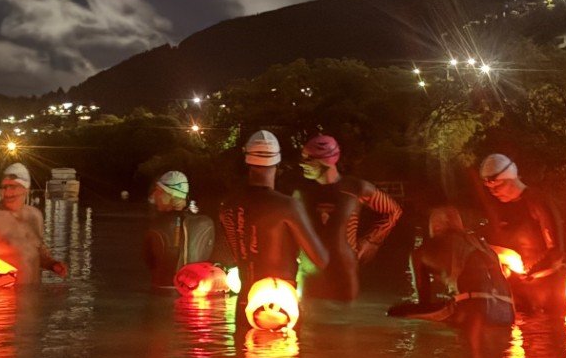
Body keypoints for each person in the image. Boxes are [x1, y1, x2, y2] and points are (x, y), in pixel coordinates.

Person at [218, 130, 328, 320]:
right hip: (280, 308)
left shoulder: (227, 206)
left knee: (243, 349)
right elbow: (321, 260)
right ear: (277, 163)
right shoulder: (288, 206)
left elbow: (236, 253)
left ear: (247, 161)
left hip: (246, 305)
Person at [295, 133, 402, 301]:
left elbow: (393, 211)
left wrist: (371, 241)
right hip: (309, 276)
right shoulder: (301, 192)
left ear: (326, 160)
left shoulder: (356, 189)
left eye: (309, 159)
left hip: (343, 275)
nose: (302, 164)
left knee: (344, 323)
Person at [388, 205, 515, 327]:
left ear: (435, 226)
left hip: (473, 312)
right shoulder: (482, 245)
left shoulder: (421, 252)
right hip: (507, 314)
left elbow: (424, 301)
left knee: (395, 312)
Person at [477, 153, 565, 314]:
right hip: (516, 292)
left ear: (511, 178)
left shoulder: (538, 201)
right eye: (490, 189)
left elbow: (556, 252)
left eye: (498, 186)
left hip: (547, 292)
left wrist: (531, 271)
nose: (494, 192)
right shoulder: (500, 209)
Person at [142, 169, 217, 291]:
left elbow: (149, 261)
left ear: (169, 195)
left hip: (162, 292)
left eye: (158, 192)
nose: (154, 197)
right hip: (197, 293)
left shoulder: (156, 226)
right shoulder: (206, 223)